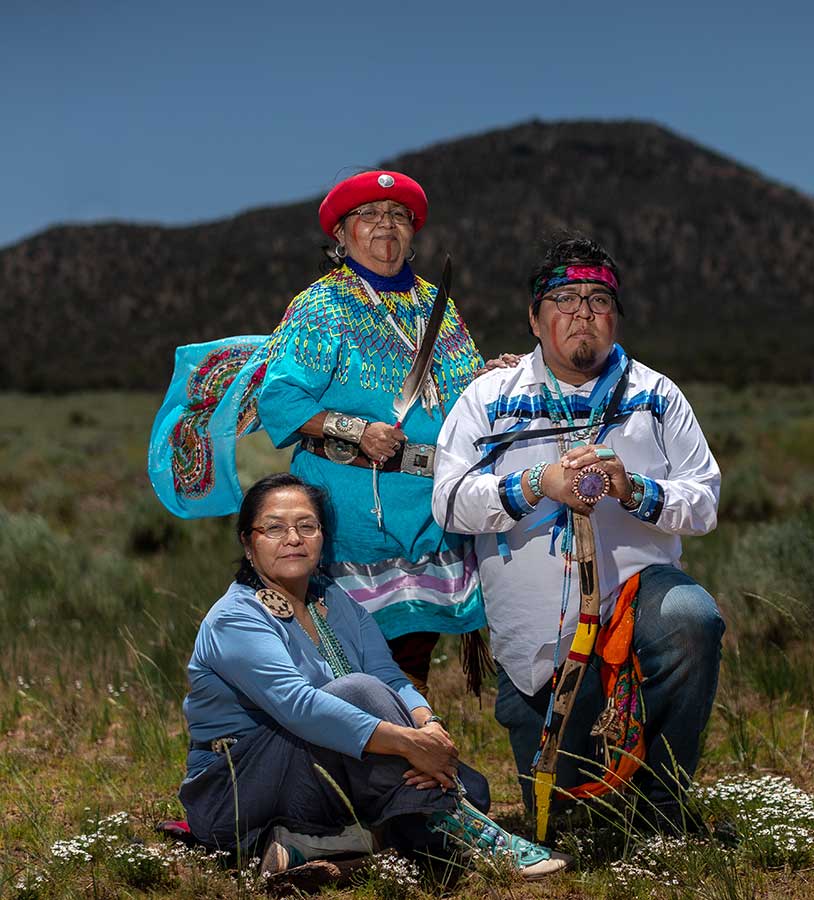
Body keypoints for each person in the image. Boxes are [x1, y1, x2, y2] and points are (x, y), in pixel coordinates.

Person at [148, 170, 488, 693]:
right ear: (341, 235)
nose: (385, 225)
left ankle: (405, 755)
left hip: (427, 505)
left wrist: (494, 379)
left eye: (398, 216)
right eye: (369, 215)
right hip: (350, 506)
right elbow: (280, 397)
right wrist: (354, 428)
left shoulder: (436, 307)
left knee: (413, 657)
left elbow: (462, 387)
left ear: (413, 232)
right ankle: (359, 756)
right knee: (351, 658)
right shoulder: (321, 306)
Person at [431, 236, 725, 834]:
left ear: (615, 315)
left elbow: (704, 500)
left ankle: (664, 808)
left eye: (597, 298)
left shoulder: (656, 395)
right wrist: (536, 483)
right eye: (564, 299)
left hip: (634, 602)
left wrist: (633, 489)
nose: (583, 312)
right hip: (539, 646)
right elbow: (450, 500)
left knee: (693, 619)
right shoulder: (490, 397)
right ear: (534, 319)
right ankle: (586, 799)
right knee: (566, 823)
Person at [179, 472, 568, 879]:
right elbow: (300, 706)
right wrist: (406, 743)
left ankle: (318, 845)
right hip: (237, 788)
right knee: (358, 693)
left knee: (459, 777)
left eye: (306, 526)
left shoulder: (333, 599)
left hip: (316, 772)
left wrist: (427, 726)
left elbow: (390, 676)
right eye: (274, 528)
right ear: (247, 541)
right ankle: (454, 826)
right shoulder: (236, 617)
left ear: (322, 536)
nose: (293, 538)